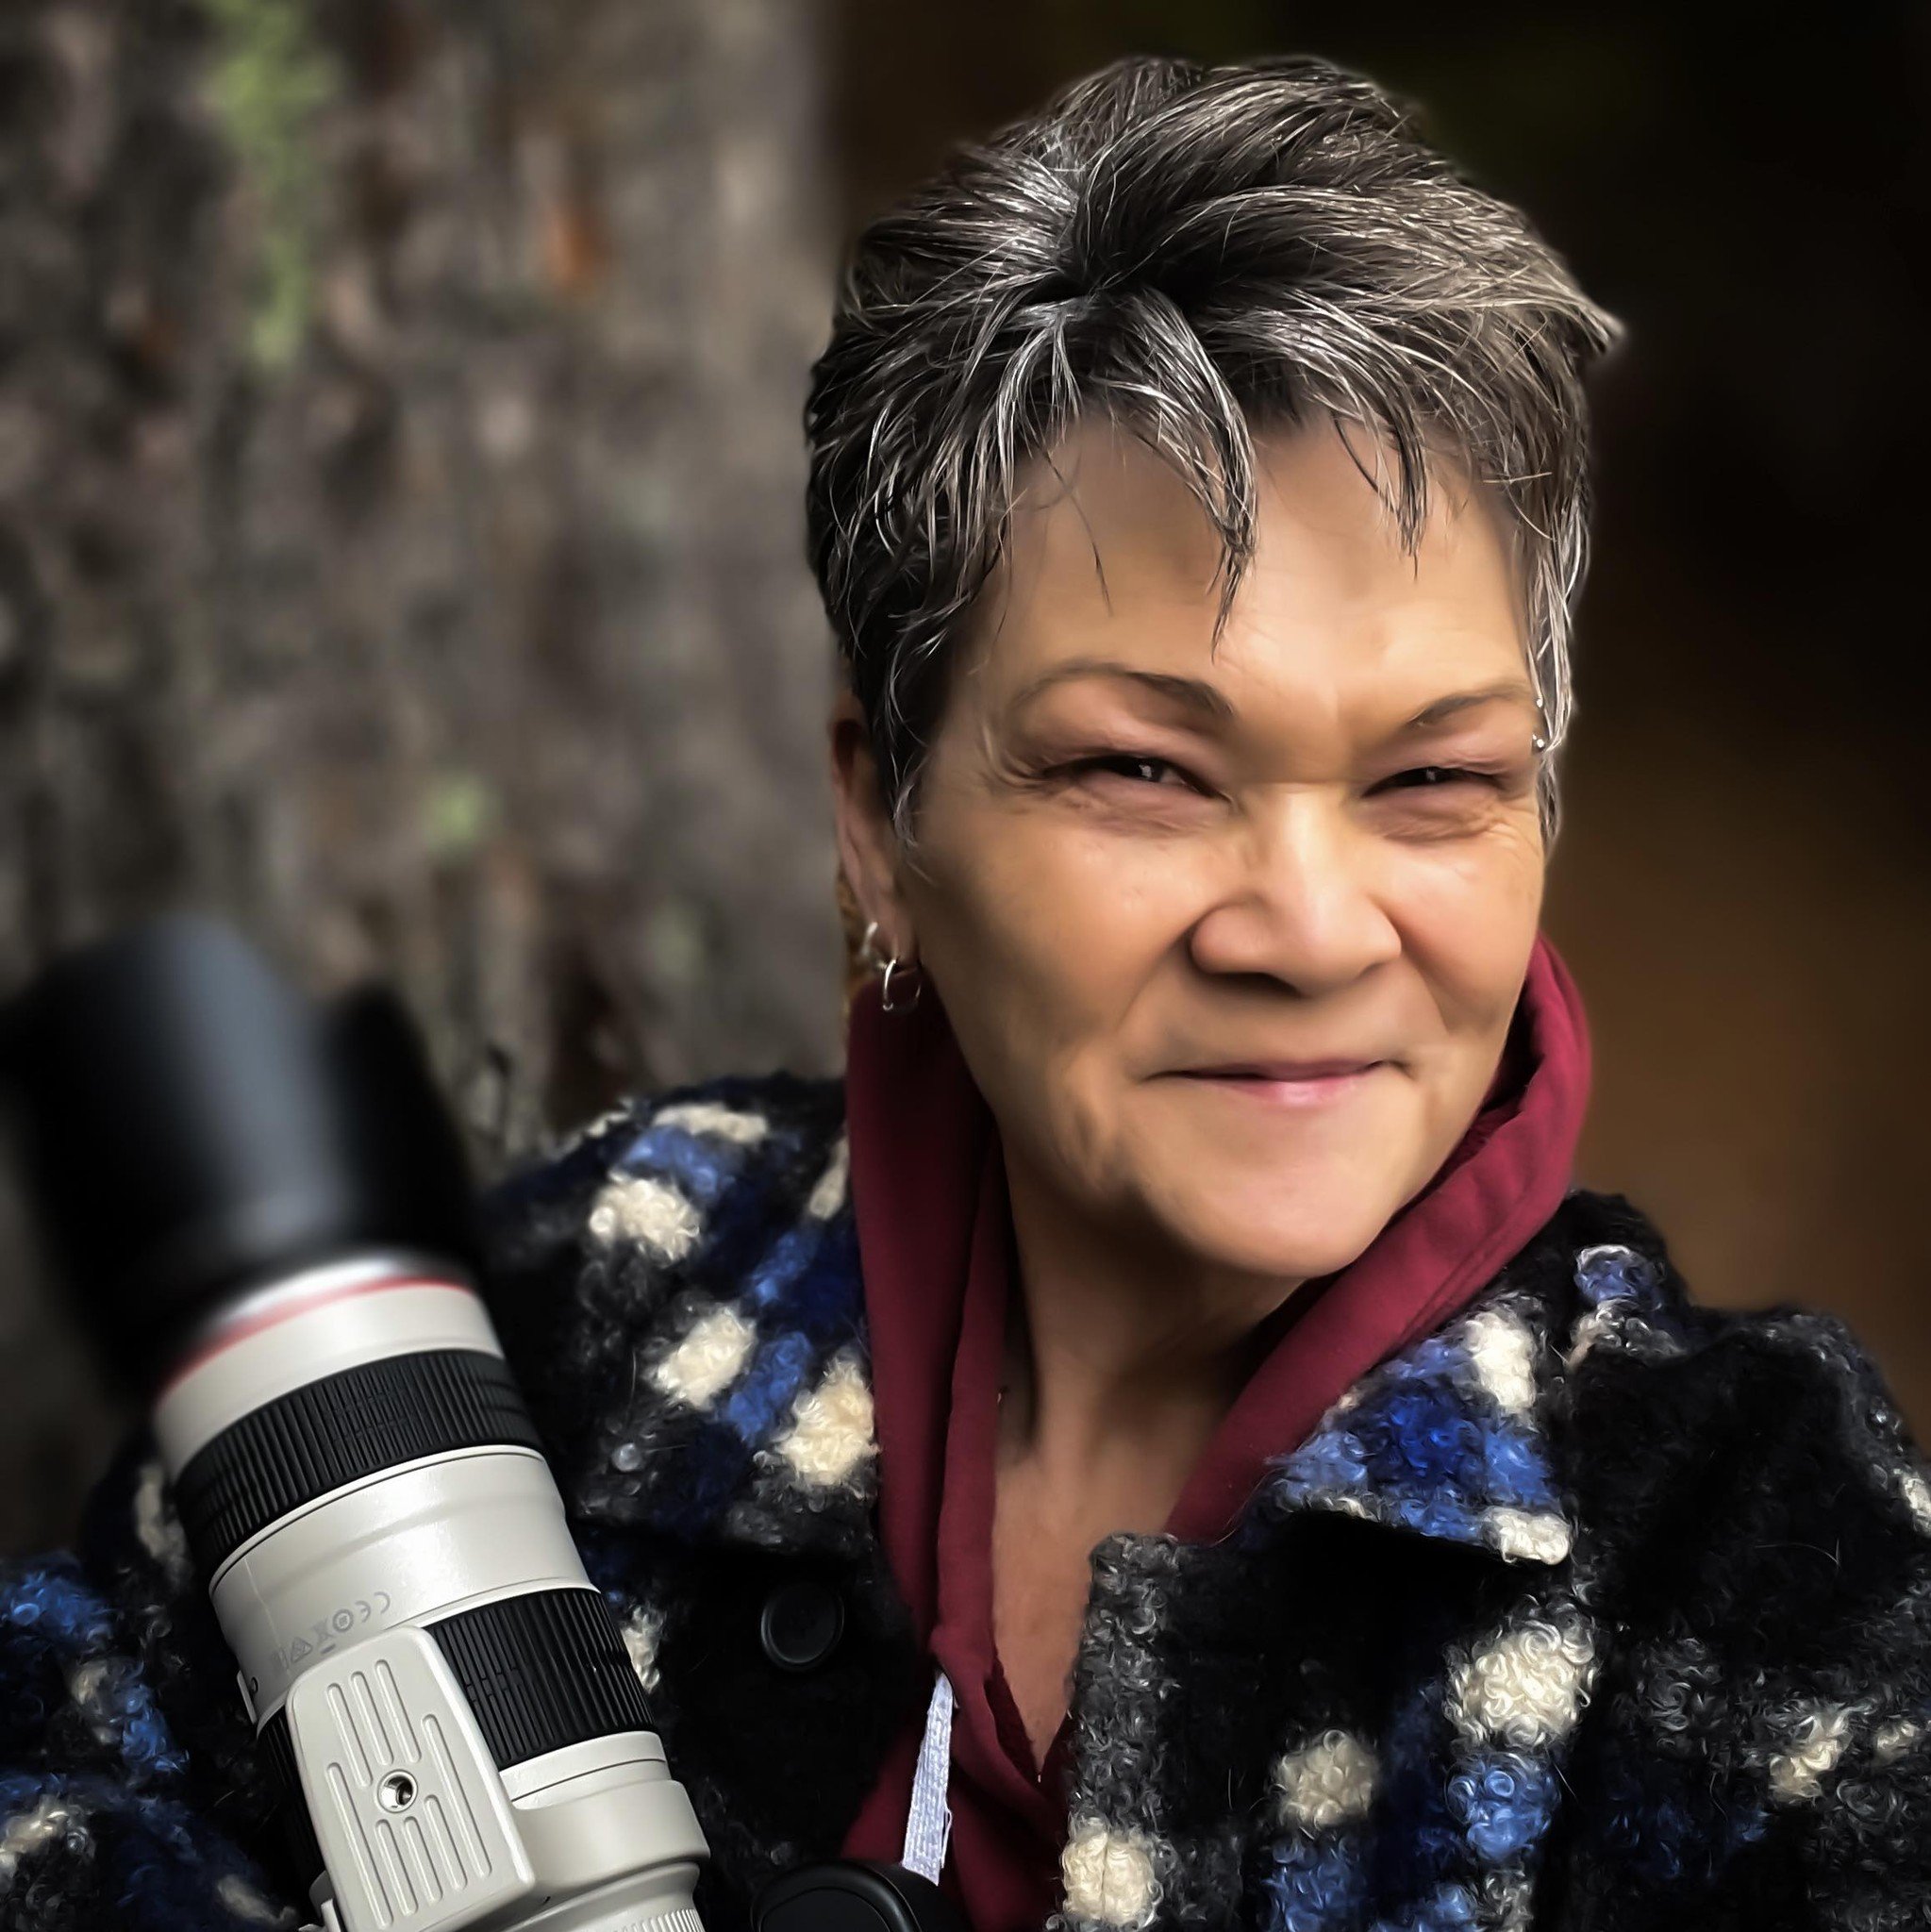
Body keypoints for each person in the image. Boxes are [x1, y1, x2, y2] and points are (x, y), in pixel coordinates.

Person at [5, 49, 1930, 1932]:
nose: (1309, 928)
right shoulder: (606, 1301)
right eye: (1143, 770)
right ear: (879, 818)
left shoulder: (1757, 1556)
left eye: (1434, 778)